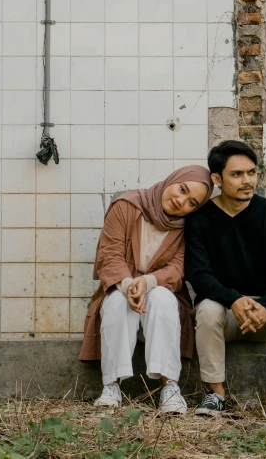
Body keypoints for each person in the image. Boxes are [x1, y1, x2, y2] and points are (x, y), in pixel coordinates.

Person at [79, 165, 213, 414]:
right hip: (121, 286)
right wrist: (129, 285)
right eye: (181, 189)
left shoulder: (190, 227)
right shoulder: (127, 206)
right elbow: (110, 254)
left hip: (162, 293)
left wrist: (149, 282)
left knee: (162, 297)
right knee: (118, 301)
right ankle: (111, 386)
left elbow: (180, 266)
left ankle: (170, 387)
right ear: (172, 180)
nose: (180, 201)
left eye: (191, 202)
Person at [185, 140, 266, 417]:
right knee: (208, 310)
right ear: (217, 179)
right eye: (237, 174)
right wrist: (233, 300)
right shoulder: (200, 219)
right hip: (221, 309)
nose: (247, 181)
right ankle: (215, 395)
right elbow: (198, 274)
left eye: (251, 172)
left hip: (262, 313)